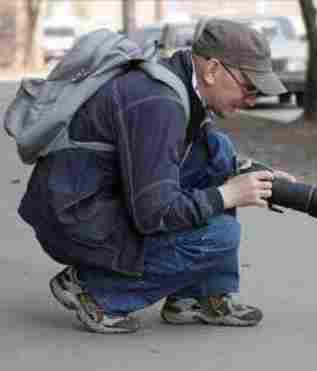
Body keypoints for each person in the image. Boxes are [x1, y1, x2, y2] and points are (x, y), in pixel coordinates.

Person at [18, 18, 296, 333]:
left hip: (95, 200)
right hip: (76, 218)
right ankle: (93, 290)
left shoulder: (179, 86)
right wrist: (228, 194)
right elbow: (153, 213)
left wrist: (257, 176)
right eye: (250, 87)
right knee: (218, 236)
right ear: (213, 70)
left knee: (219, 157)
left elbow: (207, 160)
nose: (252, 100)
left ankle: (195, 297)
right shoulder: (158, 102)